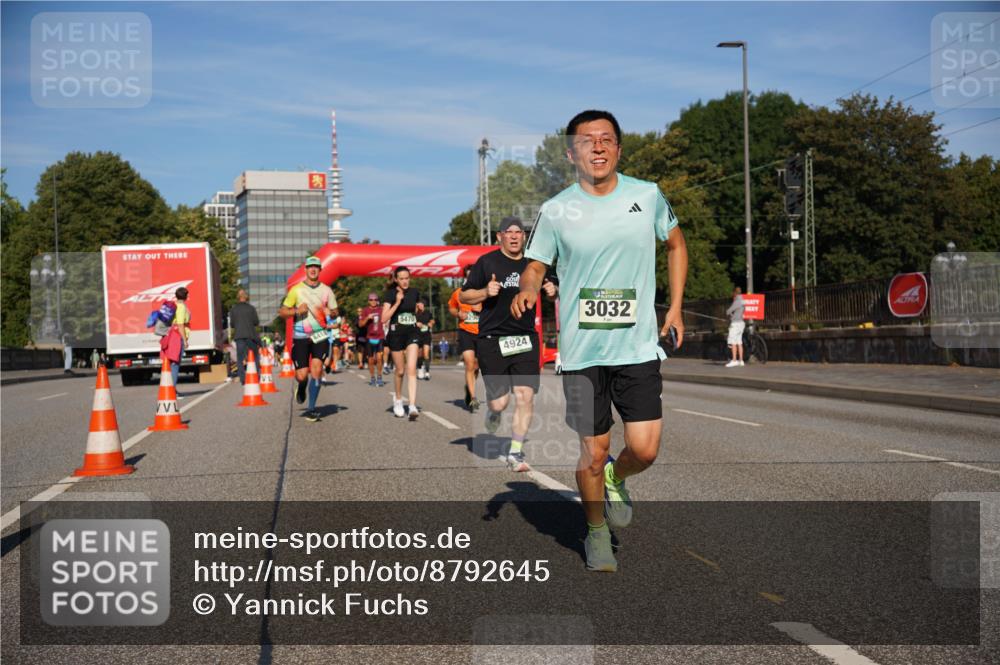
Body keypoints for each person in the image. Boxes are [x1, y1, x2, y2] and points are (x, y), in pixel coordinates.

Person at [513, 109, 688, 572]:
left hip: (636, 347)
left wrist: (673, 307)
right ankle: (595, 533)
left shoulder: (647, 196)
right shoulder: (556, 209)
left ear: (619, 149)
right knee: (592, 452)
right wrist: (529, 286)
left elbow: (676, 245)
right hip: (582, 352)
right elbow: (535, 262)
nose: (597, 146)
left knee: (645, 449)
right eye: (586, 140)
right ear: (571, 153)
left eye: (606, 139)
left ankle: (618, 475)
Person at [462, 216, 557, 471]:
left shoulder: (534, 264)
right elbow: (464, 294)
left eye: (519, 232)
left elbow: (553, 286)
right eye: (509, 232)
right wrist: (484, 292)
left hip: (525, 337)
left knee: (525, 396)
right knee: (499, 403)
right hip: (493, 338)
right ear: (499, 237)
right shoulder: (487, 262)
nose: (515, 236)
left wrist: (552, 291)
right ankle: (493, 412)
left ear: (524, 237)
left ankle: (515, 452)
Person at [278, 256, 337, 422]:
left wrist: (330, 313)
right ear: (305, 270)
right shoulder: (296, 290)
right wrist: (296, 311)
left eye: (316, 267)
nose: (313, 269)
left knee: (317, 370)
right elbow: (282, 312)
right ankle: (302, 386)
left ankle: (311, 408)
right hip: (301, 336)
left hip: (320, 335)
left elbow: (335, 311)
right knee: (302, 375)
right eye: (310, 267)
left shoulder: (327, 290)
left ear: (320, 270)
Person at [381, 266, 425, 420]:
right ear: (396, 279)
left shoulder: (414, 292)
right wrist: (397, 302)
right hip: (396, 334)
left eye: (407, 278)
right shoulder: (390, 294)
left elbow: (416, 312)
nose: (405, 281)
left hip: (412, 332)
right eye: (402, 278)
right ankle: (398, 400)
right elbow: (383, 318)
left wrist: (419, 309)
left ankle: (412, 405)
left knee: (411, 369)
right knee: (400, 371)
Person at [449, 266, 483, 411]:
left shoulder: (484, 293)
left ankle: (469, 387)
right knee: (469, 364)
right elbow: (451, 307)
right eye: (469, 276)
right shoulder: (459, 293)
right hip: (466, 332)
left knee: (477, 366)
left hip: (482, 333)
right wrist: (458, 314)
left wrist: (483, 310)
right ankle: (472, 397)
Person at [230, 289, 261, 385]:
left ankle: (243, 379)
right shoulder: (251, 308)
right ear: (246, 297)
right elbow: (256, 322)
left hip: (239, 336)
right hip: (250, 335)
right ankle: (256, 377)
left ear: (238, 297)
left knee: (240, 358)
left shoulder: (233, 309)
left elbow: (232, 324)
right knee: (255, 356)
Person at [359, 293, 385, 387]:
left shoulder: (381, 310)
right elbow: (361, 324)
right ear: (368, 301)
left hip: (380, 337)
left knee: (379, 358)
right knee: (370, 360)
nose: (373, 301)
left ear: (377, 300)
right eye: (371, 300)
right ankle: (372, 378)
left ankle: (379, 377)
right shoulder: (365, 310)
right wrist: (367, 318)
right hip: (370, 338)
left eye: (375, 299)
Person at [172, 286, 191, 387]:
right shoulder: (181, 307)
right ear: (185, 296)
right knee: (175, 364)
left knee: (173, 363)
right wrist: (185, 340)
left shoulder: (176, 304)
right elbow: (180, 325)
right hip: (178, 338)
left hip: (173, 336)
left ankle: (172, 388)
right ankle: (172, 389)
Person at [726, 287, 745, 368]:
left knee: (733, 342)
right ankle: (741, 360)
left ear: (735, 293)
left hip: (735, 324)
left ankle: (734, 360)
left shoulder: (737, 301)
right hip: (741, 323)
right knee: (739, 342)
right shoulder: (743, 301)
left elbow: (728, 311)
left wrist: (729, 313)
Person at [416, 302, 434, 380]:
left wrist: (431, 323)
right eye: (418, 305)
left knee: (426, 354)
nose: (420, 306)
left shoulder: (428, 313)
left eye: (421, 304)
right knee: (419, 355)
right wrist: (416, 323)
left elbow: (432, 320)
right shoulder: (415, 314)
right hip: (417, 335)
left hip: (426, 335)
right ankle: (420, 369)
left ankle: (427, 373)